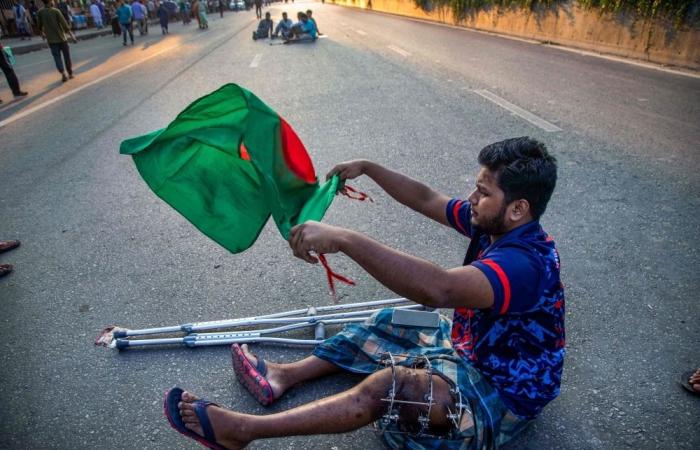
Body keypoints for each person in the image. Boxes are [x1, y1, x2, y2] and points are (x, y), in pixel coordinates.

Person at [166, 137, 565, 449]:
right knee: (390, 320)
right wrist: (369, 168)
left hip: (503, 392)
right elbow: (427, 198)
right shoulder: (495, 222)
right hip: (470, 348)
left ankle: (244, 430)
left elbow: (439, 288)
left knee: (394, 386)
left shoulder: (527, 263)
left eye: (483, 192)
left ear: (518, 209)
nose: (472, 199)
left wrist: (345, 239)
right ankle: (281, 376)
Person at [37, 0, 76, 82]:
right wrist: (72, 36)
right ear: (50, 2)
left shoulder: (40, 12)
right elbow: (64, 25)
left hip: (51, 40)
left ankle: (63, 73)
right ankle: (70, 73)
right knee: (67, 57)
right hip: (62, 38)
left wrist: (43, 34)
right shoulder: (56, 11)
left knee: (57, 57)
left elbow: (39, 26)